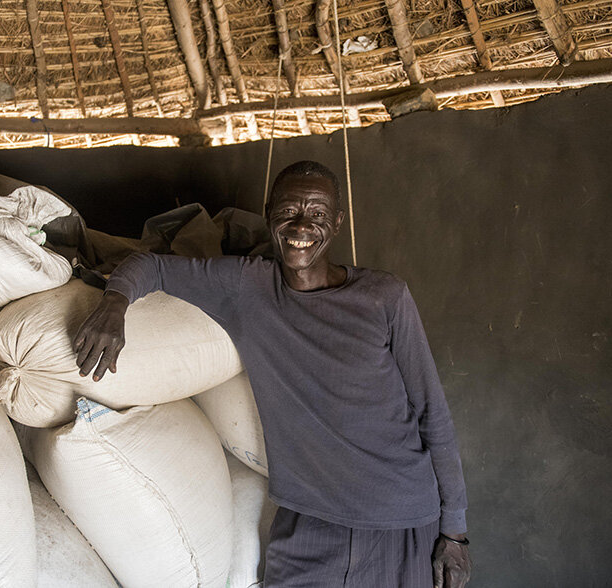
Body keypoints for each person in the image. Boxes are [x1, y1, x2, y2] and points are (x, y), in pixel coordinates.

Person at [74, 161, 472, 588]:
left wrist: (455, 532)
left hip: (401, 518)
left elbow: (433, 413)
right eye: (289, 211)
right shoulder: (247, 287)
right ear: (269, 215)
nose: (302, 225)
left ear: (337, 223)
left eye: (318, 214)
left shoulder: (384, 296)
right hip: (307, 524)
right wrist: (114, 304)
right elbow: (149, 266)